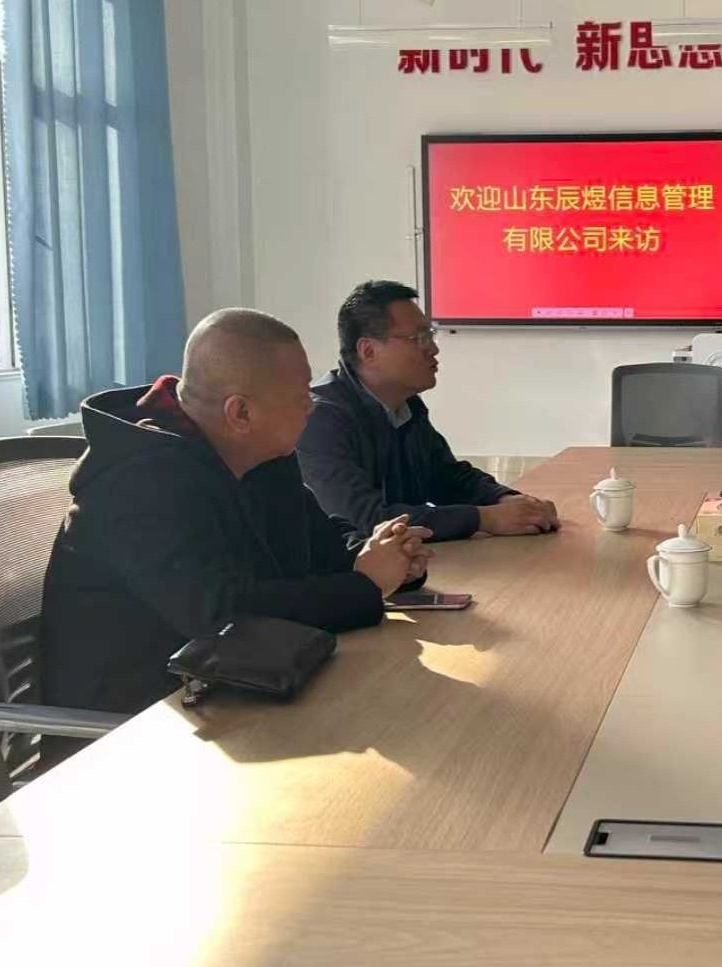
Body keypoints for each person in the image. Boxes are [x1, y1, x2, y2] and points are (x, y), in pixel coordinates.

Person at [42, 308, 432, 719]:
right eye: (301, 395)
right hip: (139, 722)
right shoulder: (138, 484)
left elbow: (318, 544)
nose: (312, 405)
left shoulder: (258, 453)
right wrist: (365, 585)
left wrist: (384, 556)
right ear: (241, 413)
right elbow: (222, 616)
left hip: (234, 690)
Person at [298, 280, 558, 542]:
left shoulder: (407, 405)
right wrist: (485, 518)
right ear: (368, 351)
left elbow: (447, 478)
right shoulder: (319, 418)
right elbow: (367, 520)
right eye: (419, 339)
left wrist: (510, 501)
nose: (433, 349)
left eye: (430, 336)